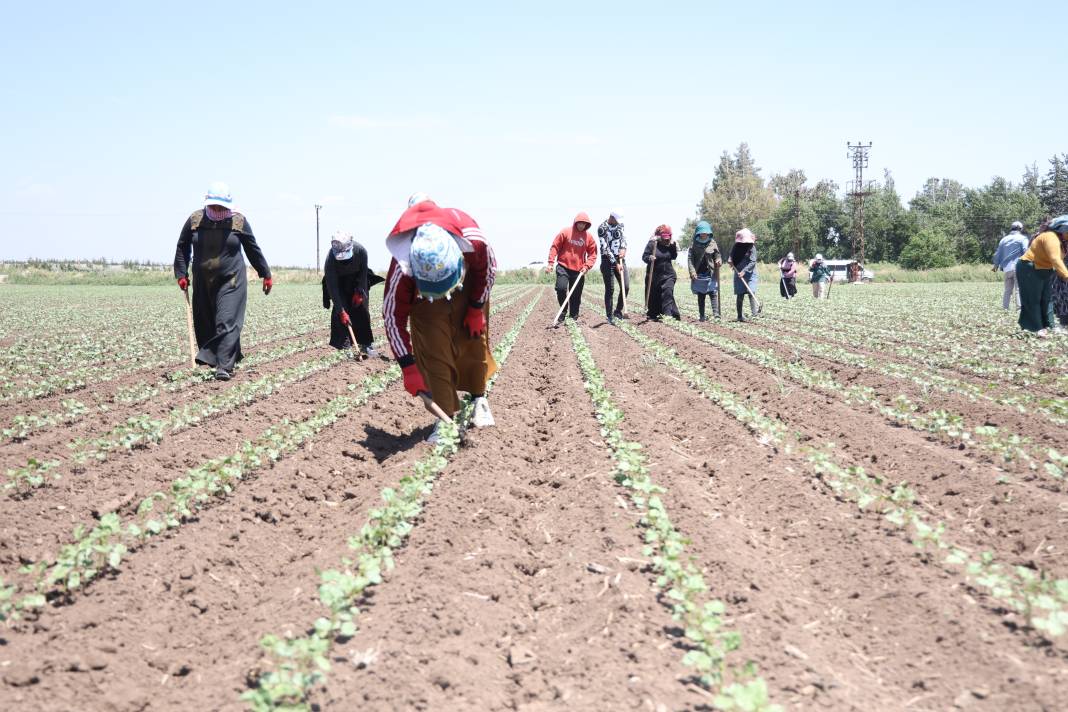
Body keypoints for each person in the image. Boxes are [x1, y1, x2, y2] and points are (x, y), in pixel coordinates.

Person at [383, 193, 498, 441]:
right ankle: (445, 416)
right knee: (433, 348)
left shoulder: (472, 239)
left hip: (466, 286)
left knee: (473, 339)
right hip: (424, 300)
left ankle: (479, 399)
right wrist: (407, 366)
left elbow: (488, 270)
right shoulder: (402, 267)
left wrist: (476, 307)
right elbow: (392, 315)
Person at [173, 181, 272, 381]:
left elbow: (253, 249)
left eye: (221, 206)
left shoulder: (239, 221)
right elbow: (182, 247)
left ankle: (224, 366)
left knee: (226, 320)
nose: (217, 210)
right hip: (203, 280)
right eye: (213, 206)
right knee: (205, 321)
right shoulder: (195, 220)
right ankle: (218, 358)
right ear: (207, 204)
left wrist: (265, 273)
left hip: (231, 280)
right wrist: (181, 274)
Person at [323, 231, 383, 357]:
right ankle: (345, 346)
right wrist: (341, 311)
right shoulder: (330, 261)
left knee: (362, 309)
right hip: (339, 284)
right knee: (341, 313)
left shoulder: (361, 251)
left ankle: (366, 344)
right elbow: (333, 288)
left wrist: (360, 291)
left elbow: (363, 273)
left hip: (357, 281)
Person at [1016, 215, 1068, 336]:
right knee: (1033, 299)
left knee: (1047, 299)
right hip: (1029, 268)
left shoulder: (1062, 241)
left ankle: (1049, 326)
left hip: (1045, 270)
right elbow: (1055, 259)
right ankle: (1035, 327)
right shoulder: (1051, 237)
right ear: (1063, 229)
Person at [546, 212, 597, 326]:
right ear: (576, 222)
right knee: (561, 288)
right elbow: (555, 247)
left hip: (579, 270)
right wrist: (550, 263)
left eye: (584, 224)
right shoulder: (566, 232)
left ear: (587, 225)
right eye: (580, 223)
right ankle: (563, 311)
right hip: (563, 266)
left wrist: (587, 266)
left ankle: (574, 315)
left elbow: (593, 254)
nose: (581, 226)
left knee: (576, 294)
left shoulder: (588, 237)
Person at [642, 224, 681, 321]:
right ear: (659, 236)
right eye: (664, 238)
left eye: (668, 238)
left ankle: (668, 315)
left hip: (669, 274)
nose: (666, 240)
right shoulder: (652, 244)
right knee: (654, 295)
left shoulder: (671, 244)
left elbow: (673, 256)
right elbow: (644, 257)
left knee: (667, 293)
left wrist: (673, 246)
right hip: (654, 276)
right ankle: (654, 314)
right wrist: (650, 258)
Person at [992, 221, 1030, 310]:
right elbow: (1026, 251)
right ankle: (1019, 308)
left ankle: (1005, 308)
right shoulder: (1022, 239)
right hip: (1019, 267)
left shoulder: (1003, 240)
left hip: (1006, 268)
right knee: (1018, 289)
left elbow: (998, 254)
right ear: (1020, 229)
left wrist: (995, 266)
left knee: (1007, 290)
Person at [597, 212, 628, 323]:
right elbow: (605, 248)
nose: (618, 222)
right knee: (610, 289)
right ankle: (609, 316)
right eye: (616, 219)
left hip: (620, 258)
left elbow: (623, 238)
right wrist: (615, 264)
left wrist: (624, 249)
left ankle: (618, 311)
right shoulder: (602, 228)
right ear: (611, 217)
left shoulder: (620, 225)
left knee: (626, 286)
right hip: (607, 261)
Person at [687, 221, 721, 320]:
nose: (703, 234)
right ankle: (702, 316)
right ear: (698, 233)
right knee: (701, 295)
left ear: (708, 233)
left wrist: (719, 260)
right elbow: (690, 259)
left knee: (713, 293)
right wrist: (692, 272)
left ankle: (716, 314)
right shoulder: (694, 245)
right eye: (702, 232)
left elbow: (717, 255)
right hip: (699, 273)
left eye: (705, 232)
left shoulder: (712, 243)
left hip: (711, 272)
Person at [727, 228, 759, 321]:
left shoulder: (752, 247)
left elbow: (753, 262)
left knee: (751, 292)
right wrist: (730, 261)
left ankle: (754, 314)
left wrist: (744, 271)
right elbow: (731, 257)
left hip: (750, 272)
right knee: (740, 294)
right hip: (738, 272)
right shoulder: (736, 246)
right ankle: (740, 316)